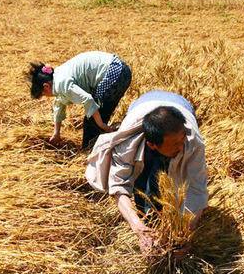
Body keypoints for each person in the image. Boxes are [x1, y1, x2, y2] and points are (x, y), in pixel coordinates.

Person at [85, 90, 208, 255]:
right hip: (141, 106)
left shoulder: (192, 142)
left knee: (174, 172)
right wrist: (139, 228)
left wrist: (185, 233)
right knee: (144, 176)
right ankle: (148, 214)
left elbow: (196, 188)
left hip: (180, 106)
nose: (181, 148)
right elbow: (119, 186)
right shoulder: (126, 144)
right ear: (151, 144)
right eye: (174, 145)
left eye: (181, 141)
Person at [26, 51, 132, 149]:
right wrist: (56, 133)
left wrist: (101, 125)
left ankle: (90, 153)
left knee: (92, 121)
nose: (47, 96)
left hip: (115, 73)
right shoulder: (57, 76)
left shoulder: (62, 84)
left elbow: (88, 100)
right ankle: (101, 146)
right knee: (97, 116)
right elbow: (59, 105)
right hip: (119, 70)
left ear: (46, 87)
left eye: (44, 94)